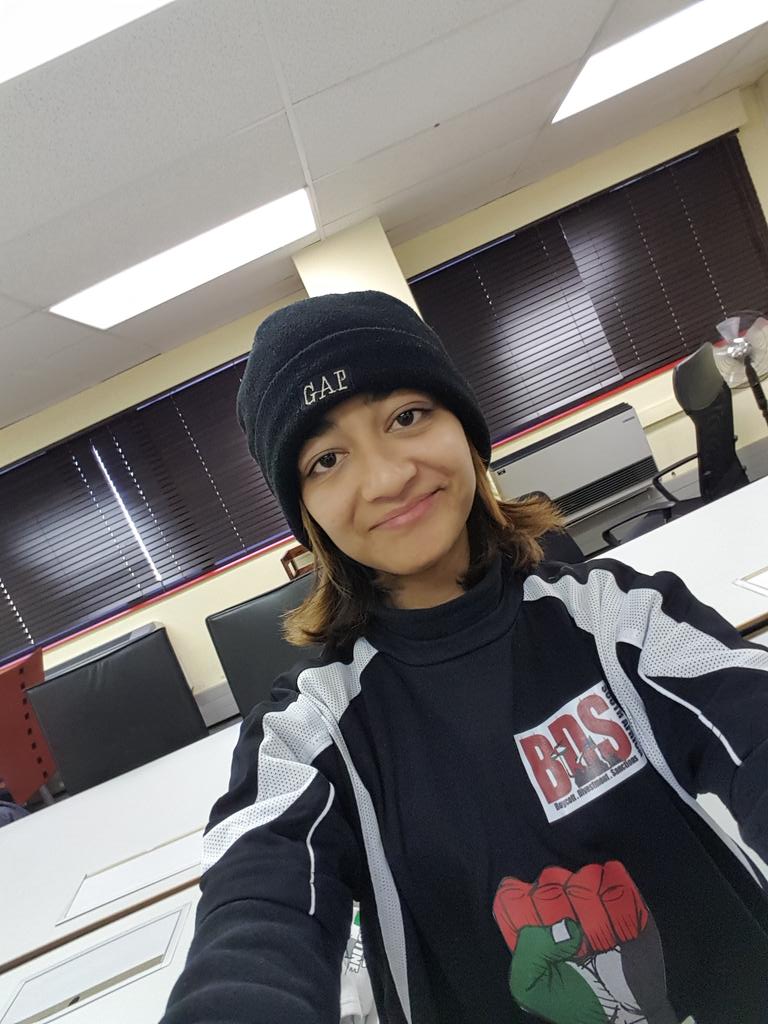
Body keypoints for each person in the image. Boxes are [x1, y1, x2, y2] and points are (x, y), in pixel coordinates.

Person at [159, 291, 768, 1024]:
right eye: (326, 459)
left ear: (465, 428)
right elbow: (256, 909)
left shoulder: (617, 618)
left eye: (407, 416)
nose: (387, 478)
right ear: (306, 510)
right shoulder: (309, 734)